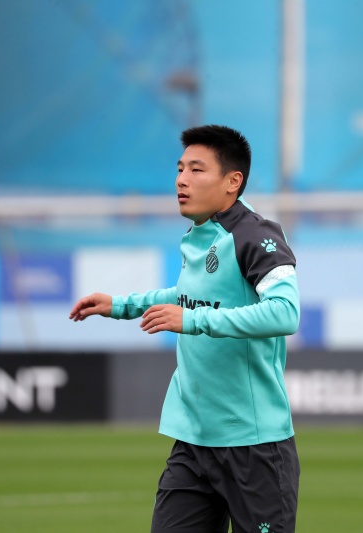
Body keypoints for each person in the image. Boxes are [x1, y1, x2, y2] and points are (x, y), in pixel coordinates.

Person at [69, 125, 301, 533]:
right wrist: (120, 305)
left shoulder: (254, 234)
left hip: (254, 445)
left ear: (233, 181)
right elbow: (189, 296)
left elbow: (284, 313)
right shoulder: (198, 234)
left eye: (196, 169)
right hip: (194, 442)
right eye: (180, 169)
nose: (181, 180)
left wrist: (193, 321)